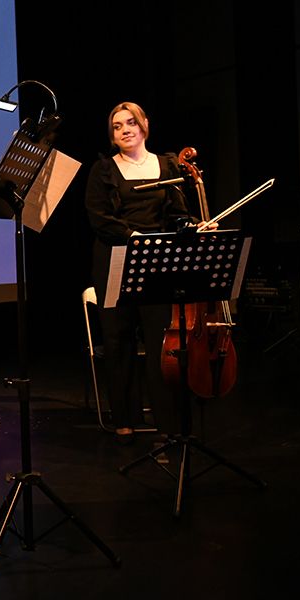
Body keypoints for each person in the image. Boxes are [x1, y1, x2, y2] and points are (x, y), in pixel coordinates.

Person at [84, 101, 194, 444]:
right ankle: (125, 418)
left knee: (161, 341)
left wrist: (192, 226)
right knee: (118, 339)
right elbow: (99, 218)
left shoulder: (168, 165)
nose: (125, 130)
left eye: (131, 122)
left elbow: (177, 214)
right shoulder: (103, 169)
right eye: (117, 126)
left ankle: (167, 420)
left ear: (144, 125)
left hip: (158, 261)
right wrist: (134, 237)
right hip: (115, 257)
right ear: (112, 135)